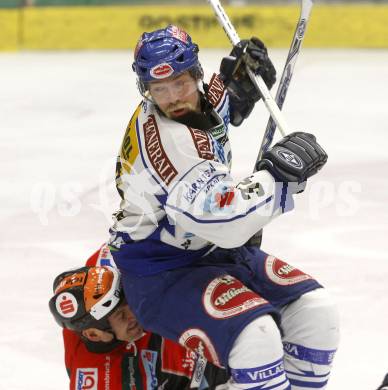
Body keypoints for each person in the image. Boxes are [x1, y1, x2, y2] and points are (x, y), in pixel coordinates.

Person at [108, 24, 340, 389]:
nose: (173, 98)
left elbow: (216, 108)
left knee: (315, 312)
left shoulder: (193, 103)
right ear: (146, 90)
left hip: (210, 252)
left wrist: (240, 82)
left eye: (181, 84)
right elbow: (226, 222)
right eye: (159, 90)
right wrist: (275, 177)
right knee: (256, 336)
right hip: (161, 272)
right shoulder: (170, 145)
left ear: (196, 75)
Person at [49, 244, 229, 389]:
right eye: (120, 315)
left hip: (221, 307)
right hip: (217, 373)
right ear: (94, 335)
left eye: (129, 302)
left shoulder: (107, 265)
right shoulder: (99, 380)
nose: (134, 314)